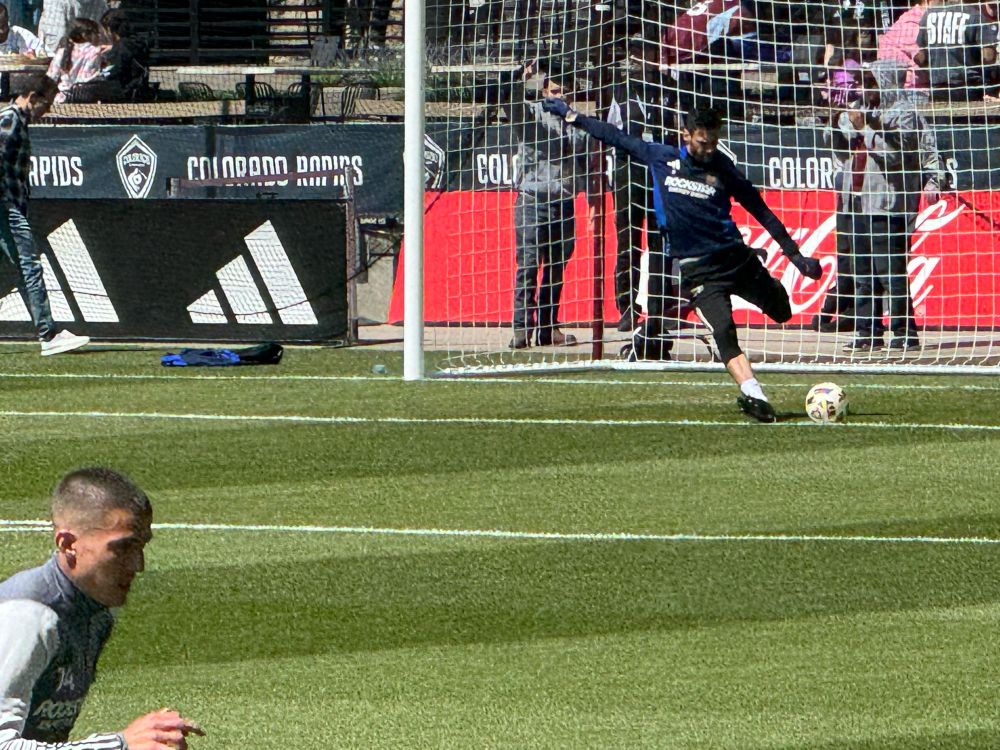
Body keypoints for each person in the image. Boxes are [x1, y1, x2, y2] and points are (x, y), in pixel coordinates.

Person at [541, 100, 822, 422]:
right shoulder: (662, 158)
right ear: (685, 134)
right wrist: (573, 116)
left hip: (736, 259)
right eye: (703, 142)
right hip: (698, 269)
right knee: (723, 331)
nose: (709, 149)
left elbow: (762, 212)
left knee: (782, 311)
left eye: (714, 141)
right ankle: (754, 395)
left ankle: (767, 288)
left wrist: (796, 256)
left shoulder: (724, 170)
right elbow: (615, 136)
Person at [0, 467, 205, 749]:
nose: (138, 565)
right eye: (122, 548)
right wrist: (120, 744)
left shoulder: (96, 609)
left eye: (141, 547)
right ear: (69, 544)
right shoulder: (28, 619)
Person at [829, 59, 946, 352]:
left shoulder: (903, 113)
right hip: (855, 200)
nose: (865, 88)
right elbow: (842, 135)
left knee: (889, 271)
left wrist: (865, 129)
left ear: (885, 82)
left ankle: (904, 331)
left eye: (870, 82)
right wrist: (841, 119)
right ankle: (867, 330)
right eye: (863, 82)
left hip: (887, 203)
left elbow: (895, 156)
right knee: (862, 270)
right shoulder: (865, 109)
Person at [0, 76, 89, 355]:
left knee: (24, 268)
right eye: (46, 103)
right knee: (29, 267)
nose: (47, 110)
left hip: (10, 205)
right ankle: (48, 335)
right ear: (31, 96)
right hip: (6, 207)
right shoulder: (10, 119)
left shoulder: (17, 121)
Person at [504, 61, 590, 349]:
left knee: (555, 269)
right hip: (533, 200)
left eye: (566, 91)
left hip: (563, 202)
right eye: (555, 90)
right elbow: (510, 103)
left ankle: (548, 328)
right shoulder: (532, 115)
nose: (560, 95)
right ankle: (520, 328)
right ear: (544, 91)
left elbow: (585, 164)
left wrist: (589, 200)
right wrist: (520, 78)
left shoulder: (576, 122)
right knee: (528, 266)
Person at [914, 0, 998, 101]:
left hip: (938, 87)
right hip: (969, 87)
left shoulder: (928, 15)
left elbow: (921, 58)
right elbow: (988, 57)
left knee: (941, 115)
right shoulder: (974, 15)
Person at [46, 17, 110, 103]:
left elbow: (51, 77)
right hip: (86, 99)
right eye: (97, 33)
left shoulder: (61, 52)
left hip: (62, 99)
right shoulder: (95, 51)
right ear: (85, 35)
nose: (99, 36)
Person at [37, 0, 107, 54]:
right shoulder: (101, 4)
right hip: (91, 59)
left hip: (63, 59)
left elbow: (55, 39)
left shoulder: (101, 4)